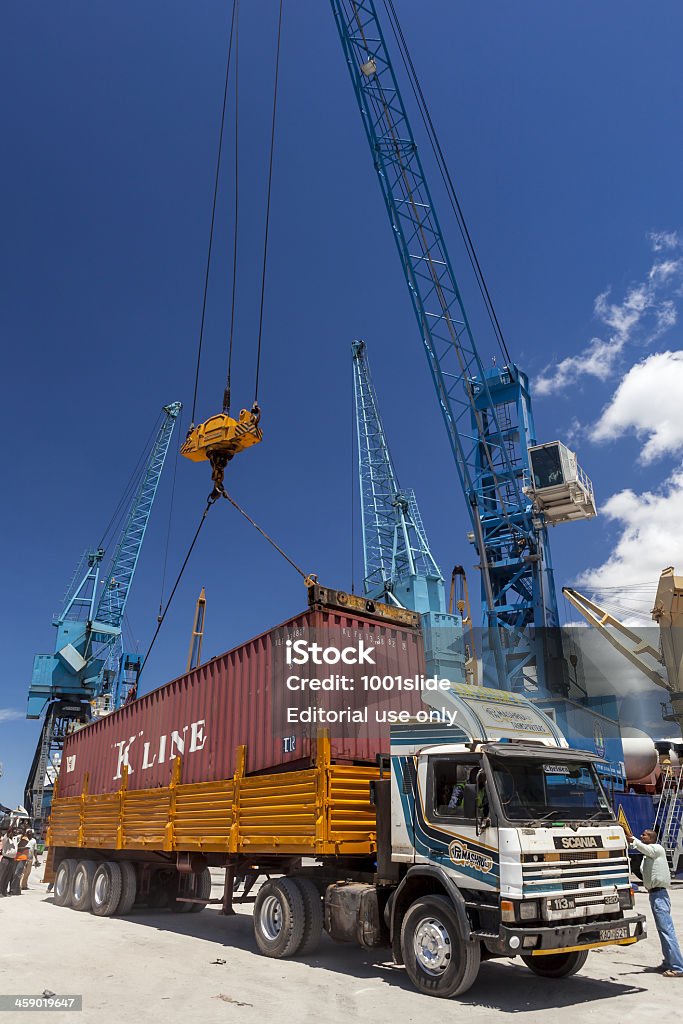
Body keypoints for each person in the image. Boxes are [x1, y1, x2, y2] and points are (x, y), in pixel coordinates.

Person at [625, 826, 683, 977]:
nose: (641, 836)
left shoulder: (657, 849)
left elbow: (639, 845)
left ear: (651, 838)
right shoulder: (649, 854)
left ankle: (678, 967)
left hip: (660, 895)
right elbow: (637, 846)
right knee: (662, 930)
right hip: (654, 895)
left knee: (667, 930)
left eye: (644, 835)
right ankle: (668, 962)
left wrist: (629, 834)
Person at [0, 829, 19, 896]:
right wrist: (14, 821)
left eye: (13, 833)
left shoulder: (14, 840)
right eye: (10, 833)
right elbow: (8, 831)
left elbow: (15, 849)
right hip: (6, 860)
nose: (12, 834)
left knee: (8, 876)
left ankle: (4, 891)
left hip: (12, 860)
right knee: (2, 876)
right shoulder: (5, 840)